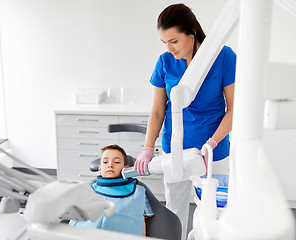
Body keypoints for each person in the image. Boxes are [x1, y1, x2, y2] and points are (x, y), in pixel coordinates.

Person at [134, 3, 236, 240]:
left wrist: (212, 142)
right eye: (164, 42)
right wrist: (148, 147)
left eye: (174, 41)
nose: (169, 48)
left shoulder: (223, 57)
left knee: (215, 213)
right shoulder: (165, 62)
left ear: (192, 33)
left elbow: (234, 109)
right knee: (175, 210)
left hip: (213, 152)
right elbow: (158, 110)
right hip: (175, 150)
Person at [69, 144, 152, 236]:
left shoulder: (138, 192)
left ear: (126, 169)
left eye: (116, 162)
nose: (110, 165)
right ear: (100, 169)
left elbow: (141, 221)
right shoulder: (87, 189)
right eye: (105, 162)